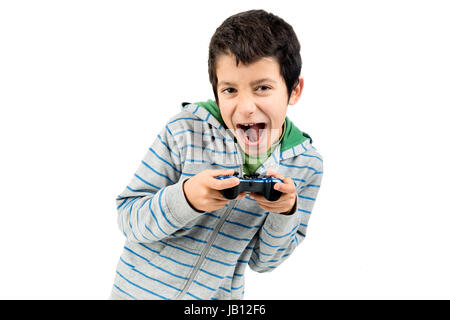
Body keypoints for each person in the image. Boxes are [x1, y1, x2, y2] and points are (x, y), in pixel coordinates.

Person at [109, 9, 323, 300]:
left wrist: (285, 211)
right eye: (230, 90)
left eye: (262, 88)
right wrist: (185, 199)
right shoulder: (185, 131)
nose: (246, 107)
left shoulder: (306, 165)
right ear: (216, 91)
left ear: (294, 89)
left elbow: (264, 262)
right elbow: (128, 218)